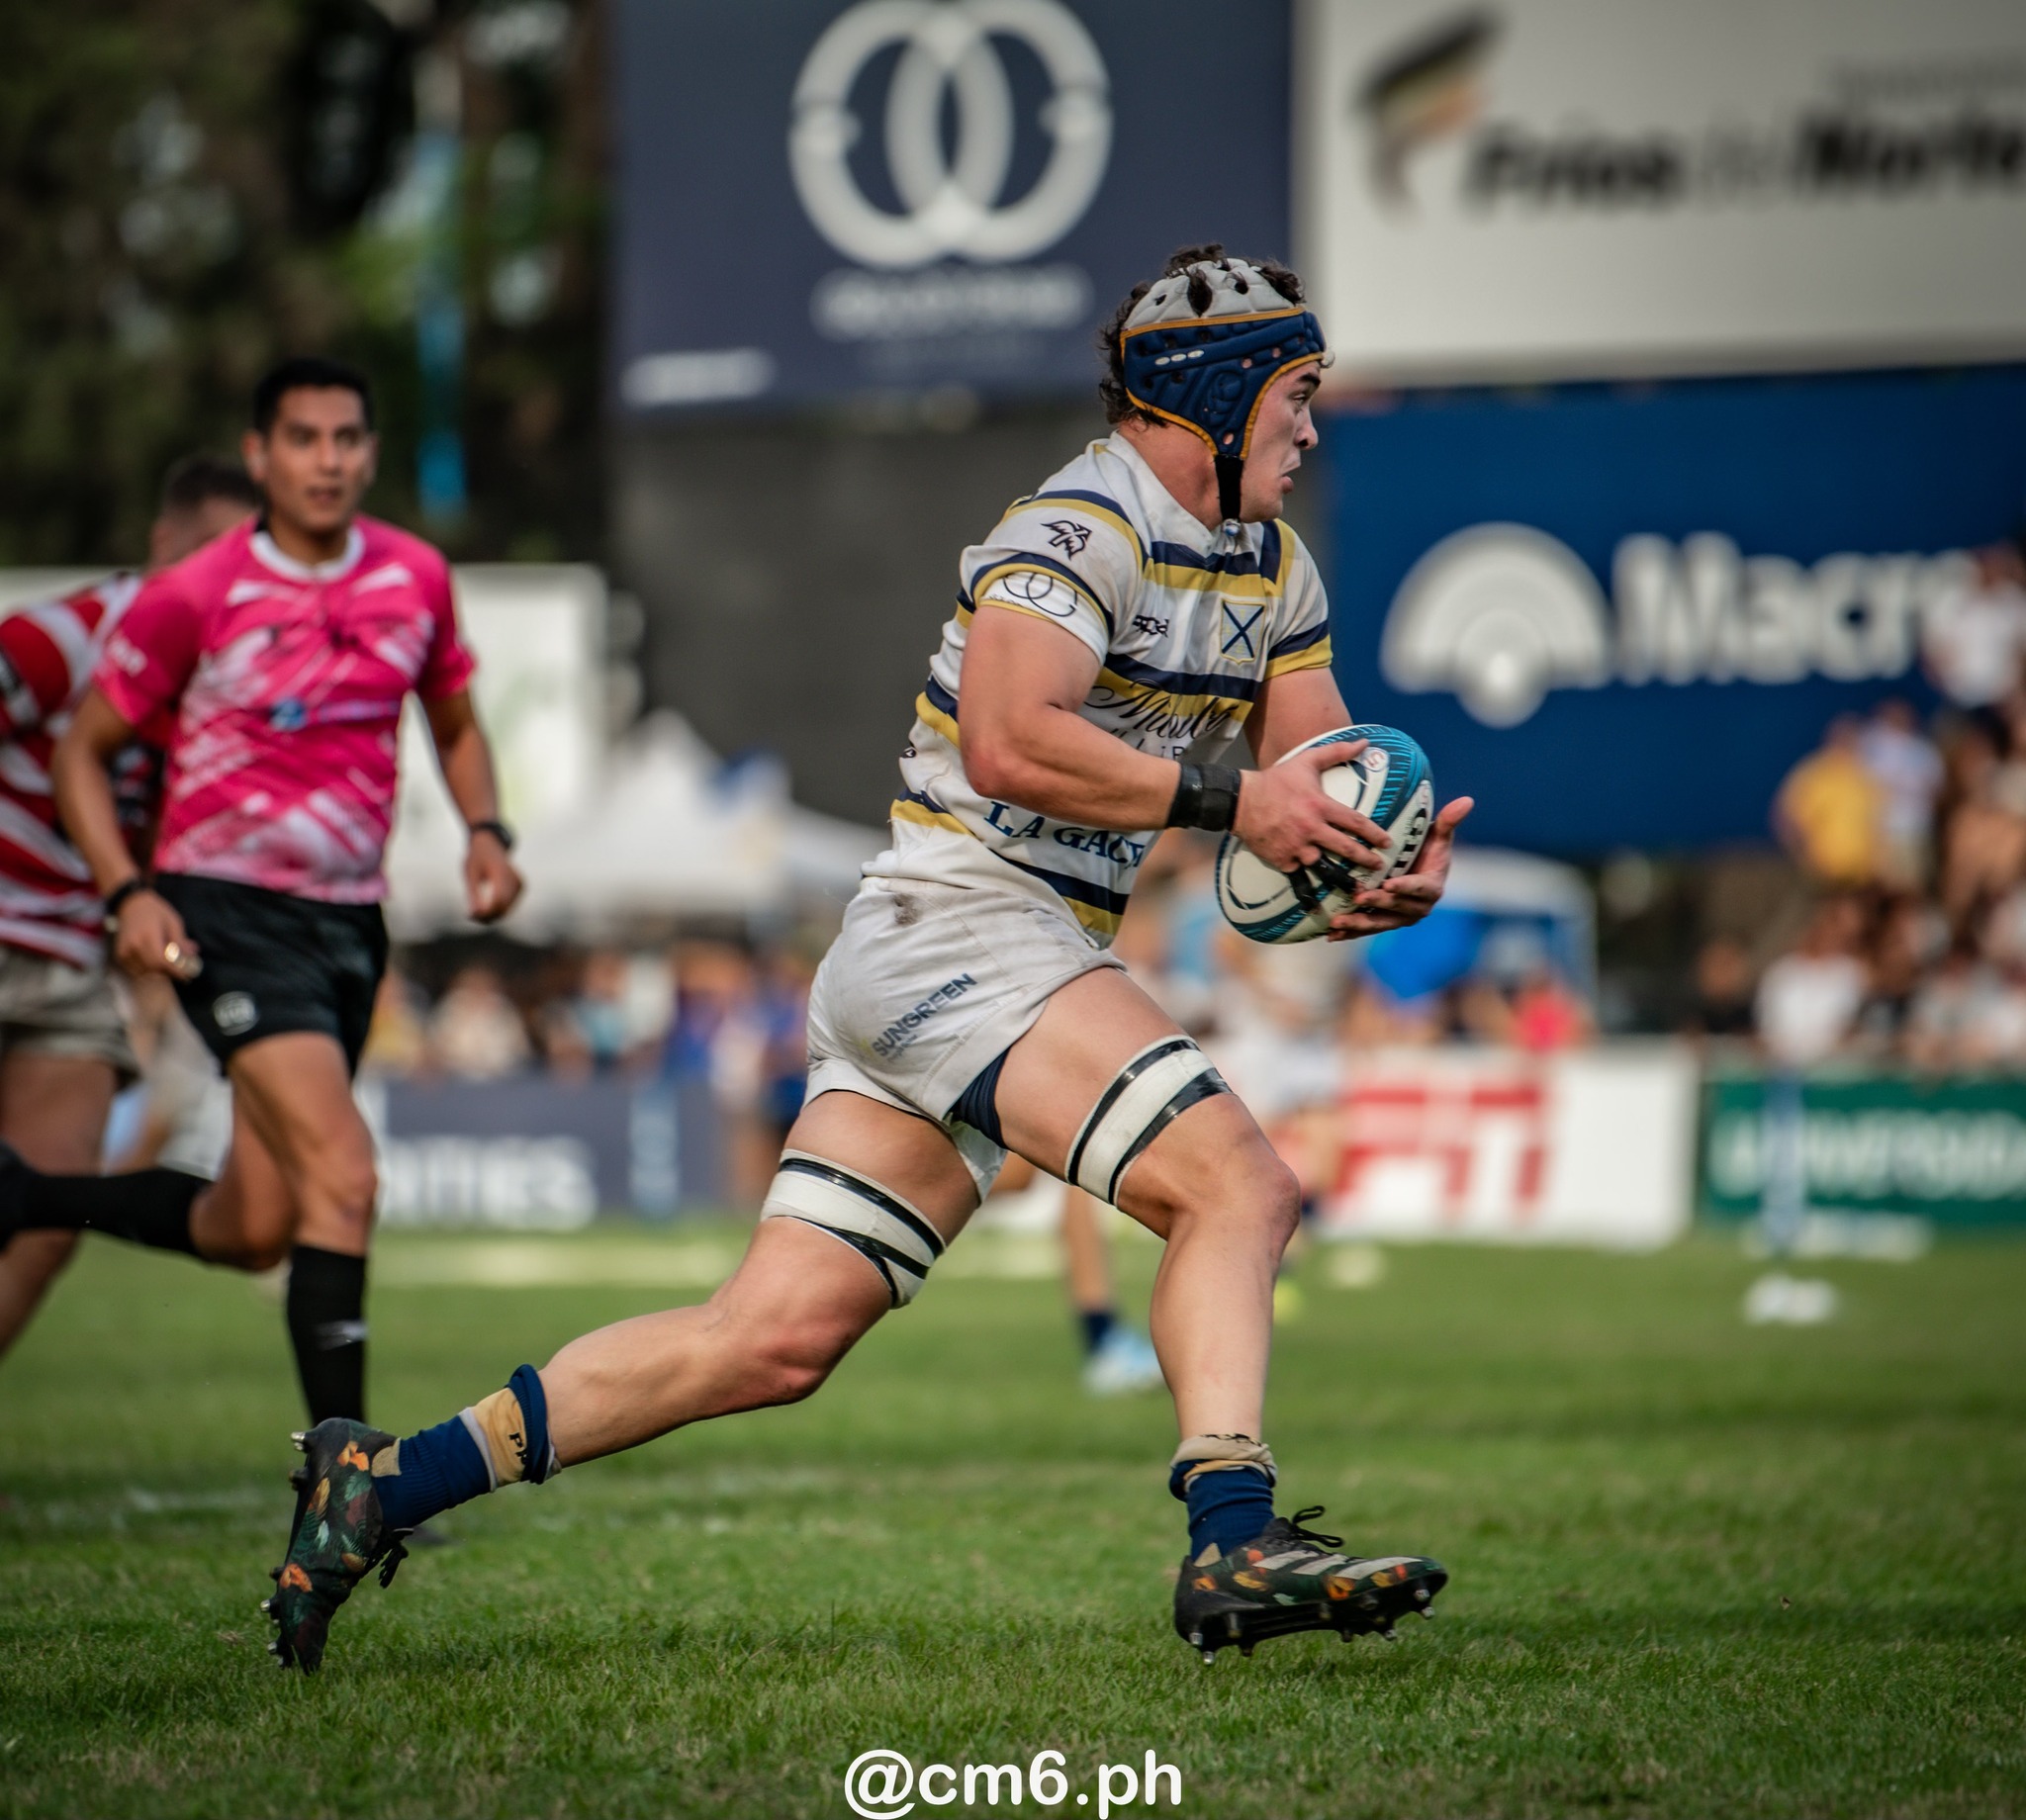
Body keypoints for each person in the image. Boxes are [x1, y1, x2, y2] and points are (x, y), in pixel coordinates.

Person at [258, 246, 1470, 1674]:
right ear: (1218, 395)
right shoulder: (1082, 525)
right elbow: (1012, 737)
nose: (1312, 426)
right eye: (1298, 396)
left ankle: (380, 1483)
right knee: (1239, 1187)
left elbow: (1306, 774)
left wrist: (1359, 868)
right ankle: (1232, 1533)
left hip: (967, 954)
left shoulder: (1277, 564)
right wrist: (1234, 804)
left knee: (768, 1338)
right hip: (964, 924)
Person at [0, 356, 522, 1430]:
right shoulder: (178, 598)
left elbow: (456, 720)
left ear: (369, 453)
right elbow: (79, 757)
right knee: (345, 1172)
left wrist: (485, 827)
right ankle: (344, 1491)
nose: (327, 461)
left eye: (345, 439)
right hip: (221, 911)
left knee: (255, 1221)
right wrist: (129, 892)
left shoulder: (415, 576)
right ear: (260, 455)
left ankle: (27, 1192)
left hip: (344, 920)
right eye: (302, 438)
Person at [0, 455, 259, 1358]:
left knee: (44, 1212)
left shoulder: (226, 684)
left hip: (70, 963)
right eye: (206, 557)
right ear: (160, 543)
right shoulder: (73, 632)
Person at [1774, 715, 1883, 888]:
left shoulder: (1868, 774)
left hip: (1865, 872)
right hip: (1823, 870)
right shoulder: (1814, 774)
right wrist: (1802, 857)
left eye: (1851, 738)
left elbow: (1881, 820)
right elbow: (1787, 818)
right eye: (1842, 739)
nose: (1846, 743)